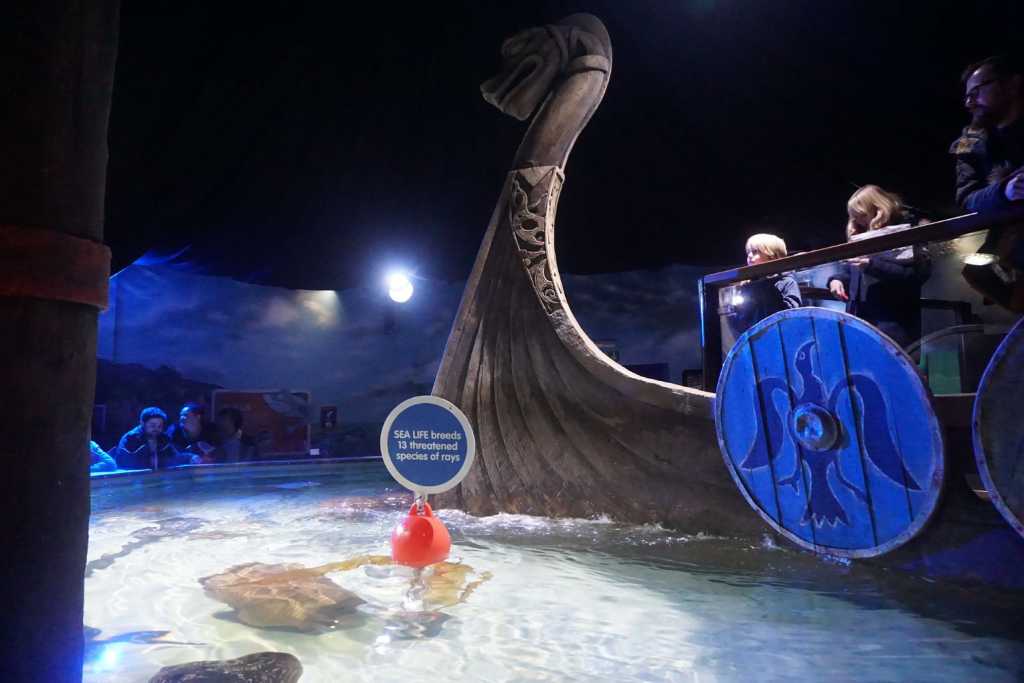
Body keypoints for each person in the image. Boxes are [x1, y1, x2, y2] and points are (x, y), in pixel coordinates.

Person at [951, 55, 1024, 311]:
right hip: (1010, 247)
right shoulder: (970, 142)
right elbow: (967, 199)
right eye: (967, 95)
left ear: (1013, 84)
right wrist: (1004, 191)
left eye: (978, 91)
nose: (969, 102)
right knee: (975, 271)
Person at [827, 185, 932, 347]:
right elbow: (851, 271)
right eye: (854, 217)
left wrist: (871, 265)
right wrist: (836, 280)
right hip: (860, 323)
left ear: (877, 209)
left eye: (861, 215)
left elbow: (916, 276)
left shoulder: (908, 231)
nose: (858, 221)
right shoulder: (860, 237)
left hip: (895, 326)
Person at [732, 233, 802, 333]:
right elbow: (741, 321)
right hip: (756, 338)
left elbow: (792, 314)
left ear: (772, 256)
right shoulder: (748, 285)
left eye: (755, 252)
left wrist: (767, 287)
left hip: (782, 335)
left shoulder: (787, 282)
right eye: (748, 253)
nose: (750, 256)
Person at [113, 407, 190, 470]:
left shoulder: (163, 437)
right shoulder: (131, 438)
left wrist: (191, 457)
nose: (156, 429)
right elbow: (130, 464)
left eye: (160, 426)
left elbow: (174, 456)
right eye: (152, 425)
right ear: (142, 423)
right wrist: (151, 451)